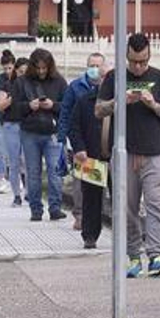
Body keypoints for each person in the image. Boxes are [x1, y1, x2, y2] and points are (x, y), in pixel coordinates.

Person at [96, 33, 160, 278]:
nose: (138, 67)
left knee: (157, 204)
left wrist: (153, 104)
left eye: (143, 61)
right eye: (133, 62)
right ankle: (133, 255)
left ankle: (156, 254)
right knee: (127, 207)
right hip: (124, 152)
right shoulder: (114, 77)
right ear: (126, 57)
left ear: (149, 56)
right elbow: (98, 110)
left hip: (154, 152)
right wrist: (118, 102)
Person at [10, 48, 69, 222]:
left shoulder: (59, 81)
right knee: (33, 172)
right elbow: (13, 110)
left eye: (45, 68)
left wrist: (53, 105)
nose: (41, 71)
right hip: (30, 132)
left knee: (55, 172)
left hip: (53, 132)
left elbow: (68, 107)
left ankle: (55, 207)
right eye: (38, 68)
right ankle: (36, 209)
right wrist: (29, 106)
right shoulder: (22, 82)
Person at [59, 52, 106, 231]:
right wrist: (63, 138)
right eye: (91, 65)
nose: (94, 69)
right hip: (81, 144)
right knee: (81, 182)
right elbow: (66, 113)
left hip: (102, 145)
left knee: (99, 185)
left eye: (98, 66)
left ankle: (96, 218)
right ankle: (80, 216)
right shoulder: (76, 87)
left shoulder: (109, 89)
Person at [67, 60, 108, 249]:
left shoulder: (125, 102)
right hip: (91, 156)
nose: (106, 81)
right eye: (104, 77)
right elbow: (74, 126)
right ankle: (90, 235)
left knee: (122, 198)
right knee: (91, 198)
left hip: (115, 157)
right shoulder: (85, 101)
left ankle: (126, 236)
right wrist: (79, 148)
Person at [0, 53, 26, 205]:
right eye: (20, 72)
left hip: (28, 125)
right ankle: (13, 189)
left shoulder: (33, 85)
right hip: (9, 123)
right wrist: (12, 98)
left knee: (26, 159)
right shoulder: (6, 83)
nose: (23, 75)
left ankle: (28, 189)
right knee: (10, 157)